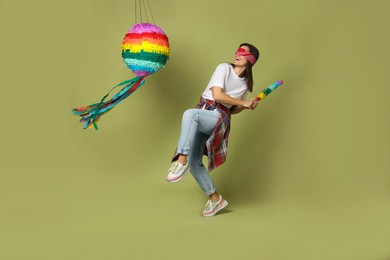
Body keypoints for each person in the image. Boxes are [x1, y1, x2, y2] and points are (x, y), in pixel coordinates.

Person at [166, 43, 260, 217]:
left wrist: (247, 105)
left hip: (219, 118)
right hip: (205, 111)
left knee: (190, 115)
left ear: (251, 59)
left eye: (243, 52)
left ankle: (180, 161)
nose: (237, 53)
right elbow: (217, 95)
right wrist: (243, 103)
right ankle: (216, 199)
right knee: (195, 163)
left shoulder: (245, 85)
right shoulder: (223, 68)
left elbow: (232, 110)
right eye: (237, 50)